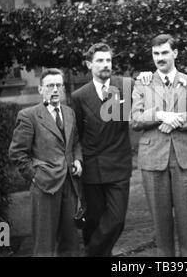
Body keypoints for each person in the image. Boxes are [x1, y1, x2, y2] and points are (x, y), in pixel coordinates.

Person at [130, 34, 187, 257]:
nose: (159, 58)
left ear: (175, 53)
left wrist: (175, 119)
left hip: (185, 157)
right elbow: (134, 119)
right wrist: (160, 115)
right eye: (155, 54)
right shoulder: (142, 82)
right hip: (153, 159)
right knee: (161, 226)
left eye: (164, 53)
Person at [71, 43, 137, 257]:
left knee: (116, 219)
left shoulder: (126, 85)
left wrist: (146, 77)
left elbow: (151, 95)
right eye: (100, 60)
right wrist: (78, 159)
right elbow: (77, 135)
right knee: (94, 221)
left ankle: (90, 253)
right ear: (89, 64)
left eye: (108, 60)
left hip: (119, 163)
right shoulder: (79, 96)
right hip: (92, 167)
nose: (105, 64)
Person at [9, 68, 83, 257]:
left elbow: (74, 143)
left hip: (69, 184)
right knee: (44, 244)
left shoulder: (69, 113)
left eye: (59, 85)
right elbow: (17, 154)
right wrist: (36, 176)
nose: (55, 89)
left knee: (71, 242)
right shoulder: (29, 115)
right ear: (41, 89)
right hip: (45, 187)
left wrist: (77, 160)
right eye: (50, 85)